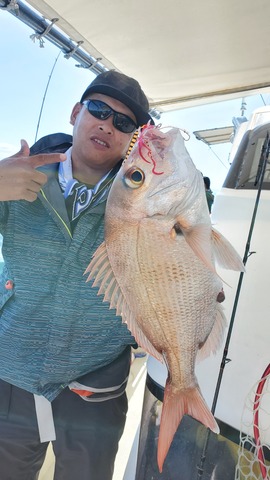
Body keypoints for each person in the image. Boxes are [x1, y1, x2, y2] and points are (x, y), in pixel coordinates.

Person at [0, 70, 153, 480]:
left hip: (96, 386)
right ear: (75, 113)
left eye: (124, 123)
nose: (108, 124)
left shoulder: (145, 200)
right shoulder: (17, 173)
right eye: (99, 110)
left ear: (132, 139)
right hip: (11, 374)